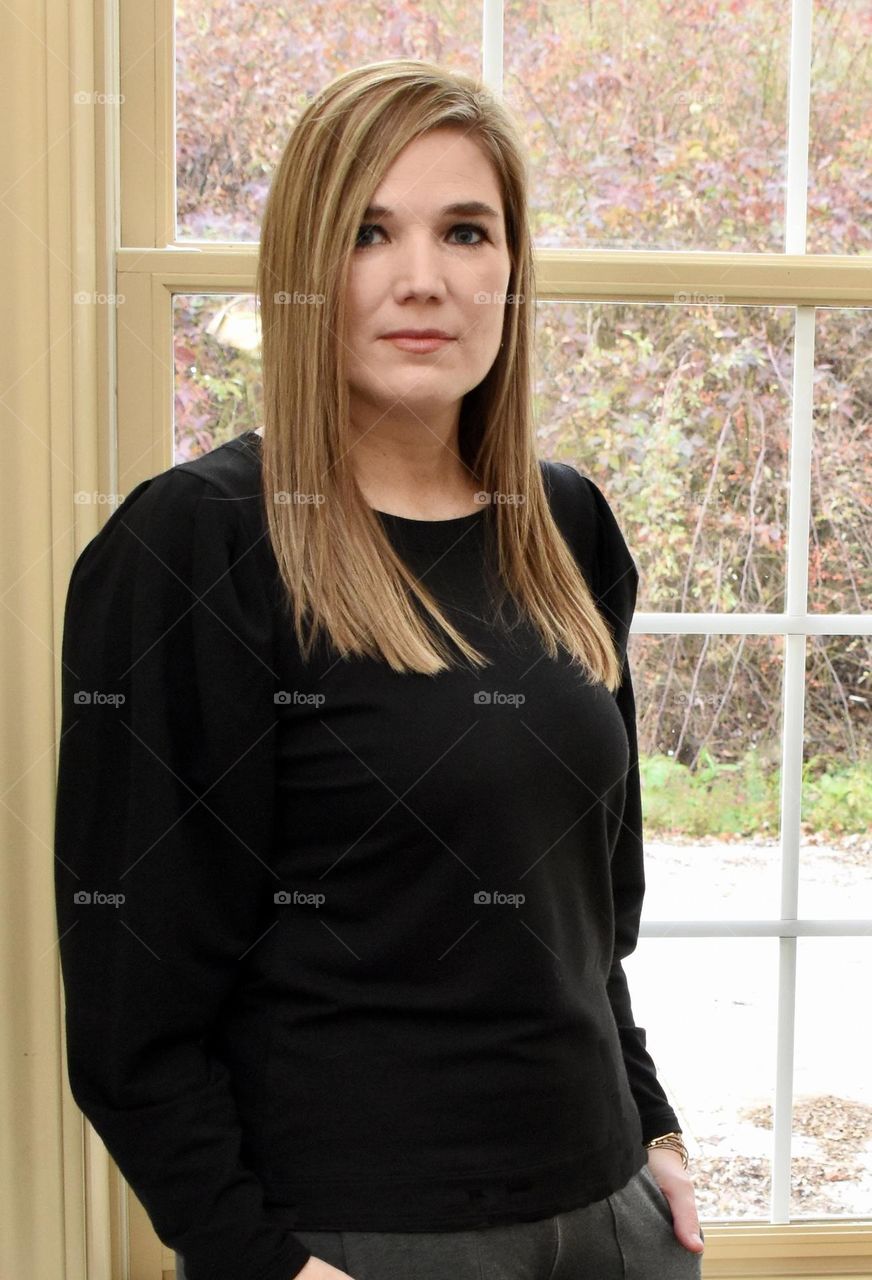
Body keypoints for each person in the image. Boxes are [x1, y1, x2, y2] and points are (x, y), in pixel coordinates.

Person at [54, 59, 705, 1280]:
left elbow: (583, 918)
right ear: (303, 270)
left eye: (465, 230)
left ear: (510, 267)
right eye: (366, 232)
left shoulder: (562, 523)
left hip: (615, 1213)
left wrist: (652, 1125)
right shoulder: (196, 542)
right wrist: (259, 1260)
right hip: (368, 1236)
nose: (422, 278)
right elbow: (128, 1005)